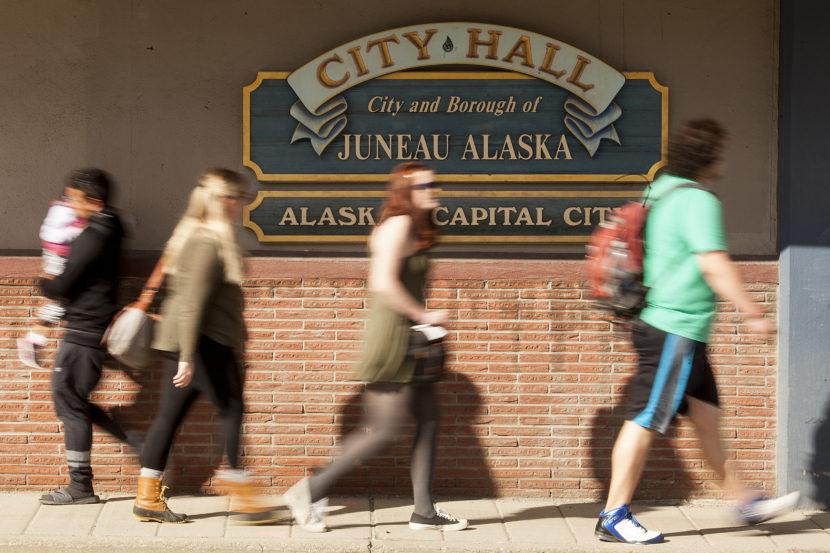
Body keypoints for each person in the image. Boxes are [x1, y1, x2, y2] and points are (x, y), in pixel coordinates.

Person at [594, 119, 799, 545]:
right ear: (709, 157)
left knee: (706, 419)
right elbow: (712, 264)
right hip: (675, 327)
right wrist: (753, 312)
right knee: (645, 418)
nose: (725, 159)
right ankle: (614, 514)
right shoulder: (698, 200)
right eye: (721, 152)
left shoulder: (660, 190)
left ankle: (744, 501)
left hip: (671, 325)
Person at [282, 161, 468, 533]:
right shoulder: (397, 225)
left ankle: (424, 512)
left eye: (436, 183)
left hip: (415, 340)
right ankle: (308, 491)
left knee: (430, 420)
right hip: (395, 339)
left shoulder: (416, 226)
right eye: (425, 185)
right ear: (405, 191)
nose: (435, 189)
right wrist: (424, 314)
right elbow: (382, 282)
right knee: (382, 430)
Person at [133, 168, 281, 525]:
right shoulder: (206, 242)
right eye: (240, 197)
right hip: (201, 345)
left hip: (193, 343)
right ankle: (241, 489)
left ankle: (147, 497)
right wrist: (187, 357)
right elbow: (191, 303)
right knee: (231, 410)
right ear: (225, 200)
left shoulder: (196, 235)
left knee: (170, 418)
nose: (243, 204)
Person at [39, 168, 136, 505]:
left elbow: (63, 284)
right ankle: (133, 439)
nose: (70, 205)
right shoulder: (113, 227)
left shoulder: (93, 235)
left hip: (82, 333)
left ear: (94, 201)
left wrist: (45, 281)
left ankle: (81, 486)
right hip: (94, 330)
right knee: (74, 400)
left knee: (68, 404)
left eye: (74, 199)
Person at [17, 183, 87, 368]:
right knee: (59, 304)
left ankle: (34, 339)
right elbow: (68, 234)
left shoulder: (59, 207)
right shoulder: (67, 209)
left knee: (60, 304)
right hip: (60, 257)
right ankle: (32, 340)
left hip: (55, 256)